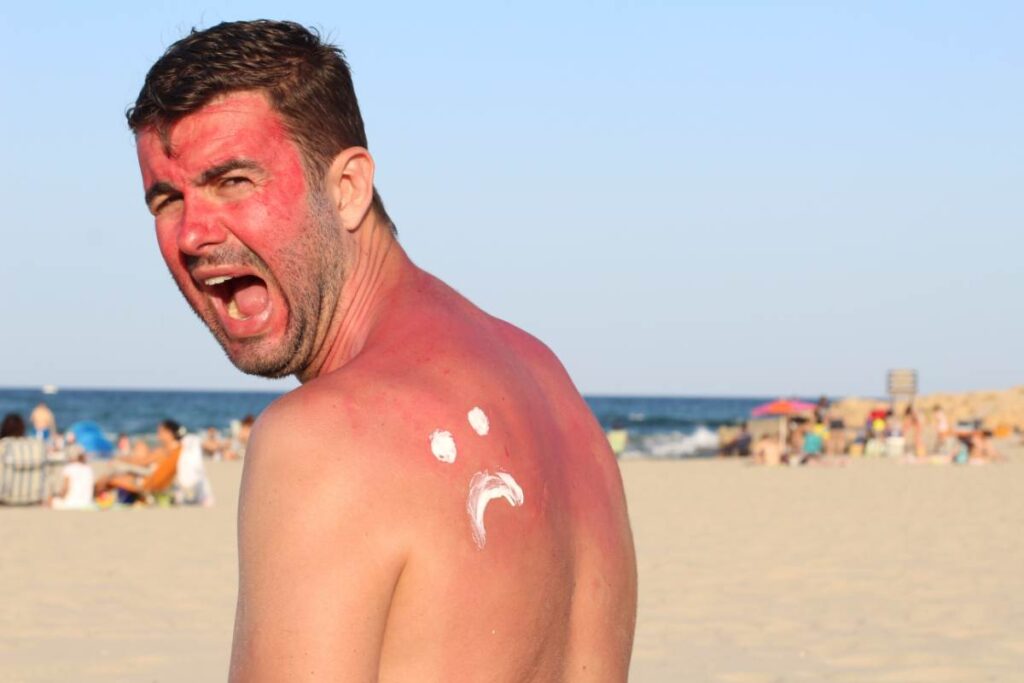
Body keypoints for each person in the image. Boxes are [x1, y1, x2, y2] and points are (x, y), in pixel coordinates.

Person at [129, 19, 637, 680]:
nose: (193, 233)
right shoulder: (553, 391)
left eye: (234, 182)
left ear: (348, 188)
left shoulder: (324, 438)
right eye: (167, 199)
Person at [95, 419, 184, 503]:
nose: (158, 435)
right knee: (114, 476)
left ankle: (92, 498)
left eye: (160, 432)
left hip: (148, 484)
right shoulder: (177, 450)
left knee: (108, 479)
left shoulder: (165, 451)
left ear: (168, 433)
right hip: (153, 482)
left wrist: (120, 459)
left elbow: (141, 462)